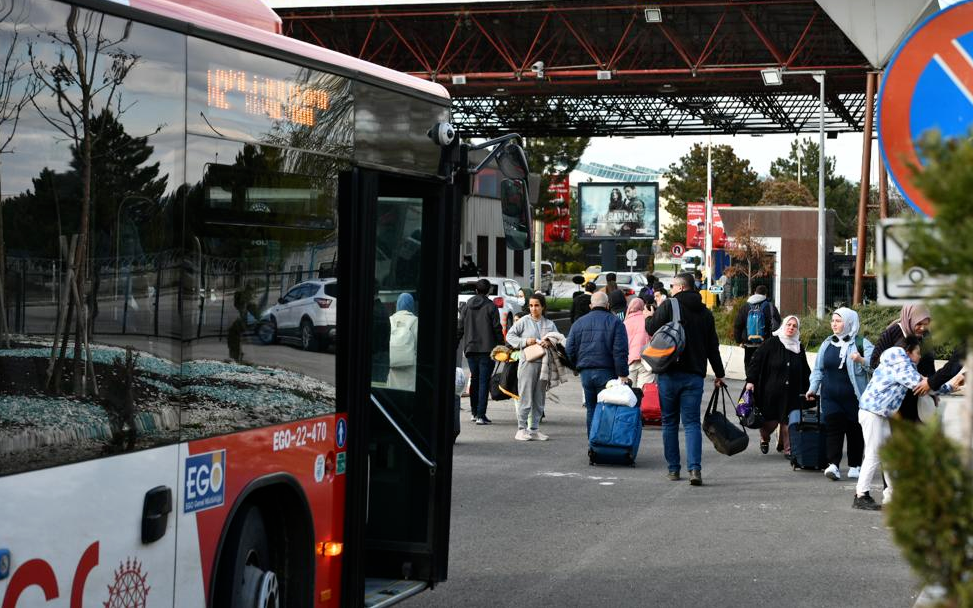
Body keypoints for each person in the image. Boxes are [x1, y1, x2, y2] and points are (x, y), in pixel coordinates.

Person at [853, 336, 964, 510]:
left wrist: (948, 385)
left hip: (879, 413)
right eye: (918, 353)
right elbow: (921, 386)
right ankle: (861, 495)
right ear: (907, 353)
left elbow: (926, 383)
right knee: (874, 453)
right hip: (873, 412)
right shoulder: (900, 365)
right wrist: (950, 386)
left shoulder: (905, 365)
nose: (920, 357)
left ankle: (892, 495)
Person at [646, 273, 726, 486]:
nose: (671, 288)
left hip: (669, 374)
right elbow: (712, 347)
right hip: (694, 376)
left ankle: (673, 469)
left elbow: (651, 329)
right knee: (691, 423)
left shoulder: (669, 305)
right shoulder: (705, 313)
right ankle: (694, 470)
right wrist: (719, 374)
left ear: (681, 288)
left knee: (669, 422)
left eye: (673, 285)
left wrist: (648, 316)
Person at [806, 307, 873, 480]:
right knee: (833, 429)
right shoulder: (827, 343)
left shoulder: (862, 344)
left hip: (854, 398)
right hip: (830, 397)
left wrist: (861, 360)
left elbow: (876, 366)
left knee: (854, 431)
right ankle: (833, 465)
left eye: (838, 321)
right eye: (833, 321)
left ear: (849, 322)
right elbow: (818, 370)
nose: (834, 324)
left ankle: (855, 465)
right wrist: (812, 388)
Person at [744, 315, 811, 456]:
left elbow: (805, 370)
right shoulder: (771, 343)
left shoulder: (799, 347)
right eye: (789, 325)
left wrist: (811, 388)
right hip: (771, 391)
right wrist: (750, 381)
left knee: (788, 422)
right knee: (771, 423)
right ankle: (765, 437)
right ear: (783, 326)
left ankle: (789, 450)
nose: (791, 328)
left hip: (792, 392)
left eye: (794, 326)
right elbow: (756, 361)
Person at [564, 291, 629, 435]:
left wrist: (575, 366)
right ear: (607, 305)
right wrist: (623, 374)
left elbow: (569, 349)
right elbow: (620, 351)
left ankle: (592, 443)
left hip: (586, 373)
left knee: (591, 408)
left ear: (590, 305)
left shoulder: (578, 323)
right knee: (606, 408)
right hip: (607, 372)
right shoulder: (616, 322)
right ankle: (604, 442)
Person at [505, 294, 561, 441]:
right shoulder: (523, 321)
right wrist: (525, 341)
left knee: (539, 397)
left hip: (544, 365)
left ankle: (534, 429)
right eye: (531, 306)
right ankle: (521, 428)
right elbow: (509, 337)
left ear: (543, 307)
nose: (533, 308)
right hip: (527, 363)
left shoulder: (549, 324)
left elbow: (559, 339)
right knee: (525, 395)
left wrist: (549, 342)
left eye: (536, 305)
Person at [869, 304, 934, 422]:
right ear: (909, 320)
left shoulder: (926, 336)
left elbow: (929, 363)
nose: (922, 328)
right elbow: (874, 361)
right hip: (895, 400)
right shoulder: (893, 332)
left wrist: (933, 391)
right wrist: (900, 368)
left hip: (918, 396)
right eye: (918, 324)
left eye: (926, 324)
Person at [457, 278, 504, 425]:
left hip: (470, 349)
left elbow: (460, 328)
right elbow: (497, 328)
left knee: (475, 380)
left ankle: (473, 412)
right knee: (484, 381)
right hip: (487, 350)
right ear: (488, 291)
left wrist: (456, 342)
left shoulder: (466, 306)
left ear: (476, 290)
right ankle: (481, 415)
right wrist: (501, 345)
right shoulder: (491, 307)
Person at [733, 284, 782, 369]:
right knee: (764, 367)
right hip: (765, 342)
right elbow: (777, 323)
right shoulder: (770, 307)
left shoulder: (745, 307)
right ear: (765, 294)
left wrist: (739, 341)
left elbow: (738, 325)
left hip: (748, 343)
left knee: (749, 365)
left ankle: (750, 380)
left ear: (755, 293)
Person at [387, 293, 418, 391]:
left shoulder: (390, 320)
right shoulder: (416, 321)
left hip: (393, 366)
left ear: (398, 305)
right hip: (410, 369)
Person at [624, 297, 653, 389]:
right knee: (644, 392)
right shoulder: (647, 319)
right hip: (646, 360)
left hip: (629, 361)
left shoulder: (625, 323)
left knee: (629, 393)